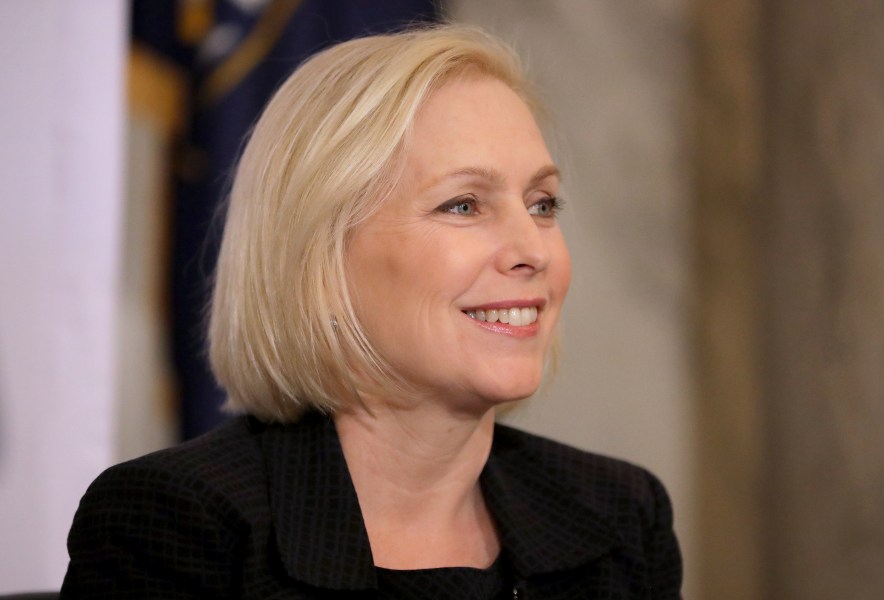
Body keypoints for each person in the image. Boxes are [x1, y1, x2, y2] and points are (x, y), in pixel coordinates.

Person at [60, 25, 682, 599]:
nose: (532, 251)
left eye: (542, 204)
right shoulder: (176, 522)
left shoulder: (620, 515)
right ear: (321, 259)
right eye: (464, 205)